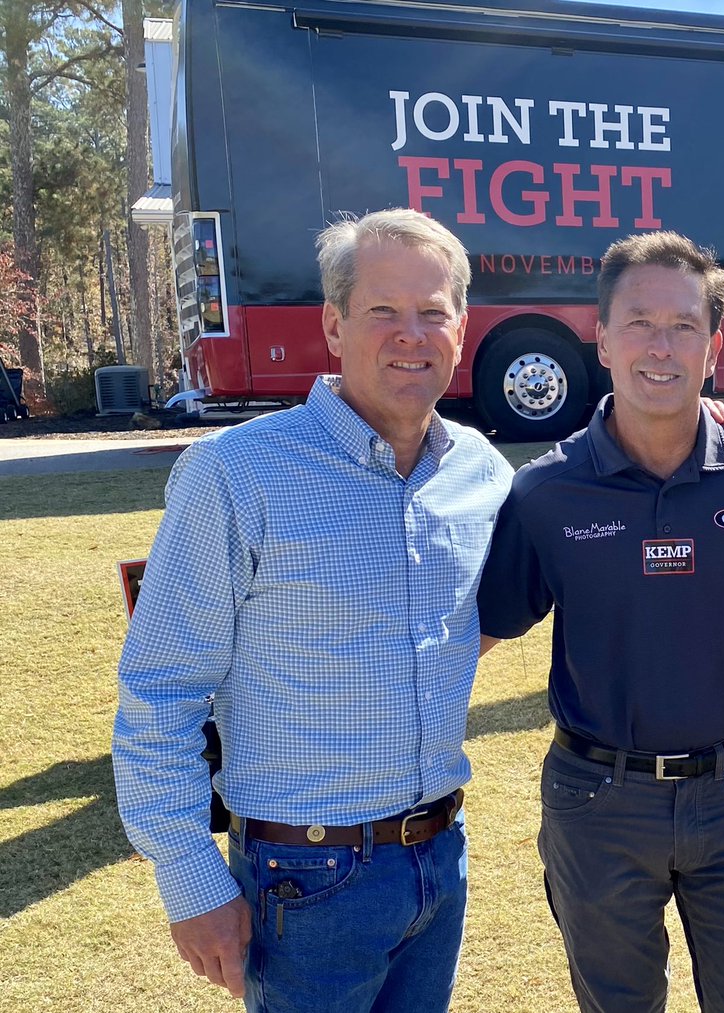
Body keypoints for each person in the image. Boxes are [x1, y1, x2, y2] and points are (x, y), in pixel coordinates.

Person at [112, 208, 512, 1013]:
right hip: (304, 881)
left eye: (433, 312)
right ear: (333, 324)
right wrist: (189, 876)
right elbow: (161, 686)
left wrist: (686, 419)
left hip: (439, 860)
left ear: (462, 329)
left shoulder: (482, 472)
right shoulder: (235, 475)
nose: (411, 334)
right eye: (382, 312)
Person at [477, 231, 724, 1013]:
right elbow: (471, 637)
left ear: (714, 344)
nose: (662, 346)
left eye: (684, 324)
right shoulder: (546, 493)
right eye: (640, 322)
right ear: (601, 335)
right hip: (597, 801)